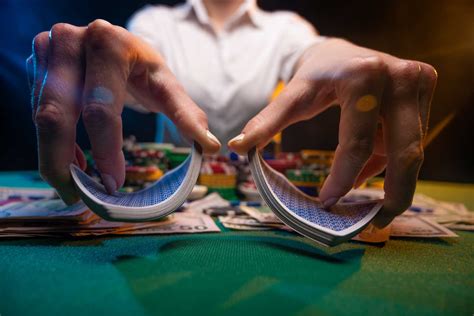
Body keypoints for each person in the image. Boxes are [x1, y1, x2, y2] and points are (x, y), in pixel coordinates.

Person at [27, 0, 437, 228]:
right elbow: (127, 58)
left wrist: (360, 61)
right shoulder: (155, 21)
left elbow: (320, 53)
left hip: (251, 195)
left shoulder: (286, 27)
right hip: (177, 204)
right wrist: (101, 56)